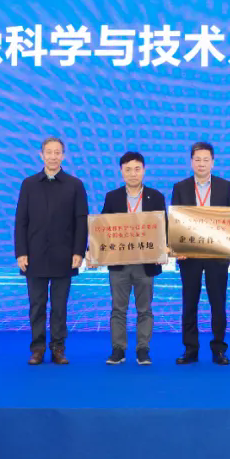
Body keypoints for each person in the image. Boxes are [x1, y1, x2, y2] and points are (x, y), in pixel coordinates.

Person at [14, 136, 88, 365]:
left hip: (64, 256)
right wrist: (21, 252)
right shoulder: (29, 184)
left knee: (59, 306)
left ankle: (58, 348)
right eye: (49, 152)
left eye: (57, 152)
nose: (53, 157)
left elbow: (81, 221)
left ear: (63, 156)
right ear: (41, 155)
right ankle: (37, 349)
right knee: (36, 306)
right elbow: (21, 221)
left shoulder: (75, 185)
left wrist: (79, 252)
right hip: (34, 255)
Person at [171, 142, 230, 365]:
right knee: (189, 304)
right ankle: (190, 349)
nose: (201, 164)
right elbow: (174, 221)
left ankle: (219, 349)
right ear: (191, 162)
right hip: (189, 255)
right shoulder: (180, 187)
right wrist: (177, 249)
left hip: (217, 256)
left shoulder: (225, 186)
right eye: (197, 159)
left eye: (206, 160)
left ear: (213, 162)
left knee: (218, 304)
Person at [97, 152, 166, 366]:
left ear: (144, 170)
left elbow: (163, 228)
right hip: (119, 263)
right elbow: (101, 228)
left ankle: (143, 349)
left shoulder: (156, 196)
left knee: (144, 309)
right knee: (118, 309)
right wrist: (95, 252)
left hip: (146, 263)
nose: (133, 173)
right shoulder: (112, 197)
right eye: (128, 170)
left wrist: (162, 251)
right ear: (121, 172)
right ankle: (118, 349)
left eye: (137, 169)